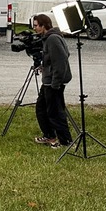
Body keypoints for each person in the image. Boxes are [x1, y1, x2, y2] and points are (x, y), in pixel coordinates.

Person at [32, 13, 73, 147]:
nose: (34, 28)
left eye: (36, 26)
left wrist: (55, 83)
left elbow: (61, 60)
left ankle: (65, 141)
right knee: (41, 108)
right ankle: (49, 136)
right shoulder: (49, 38)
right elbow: (55, 58)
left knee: (55, 112)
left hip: (54, 82)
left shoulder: (53, 39)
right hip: (49, 80)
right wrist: (45, 66)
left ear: (44, 25)